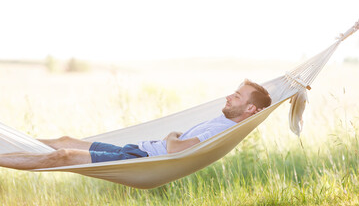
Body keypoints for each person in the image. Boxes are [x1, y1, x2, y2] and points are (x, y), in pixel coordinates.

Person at [0, 79, 271, 170]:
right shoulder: (224, 119)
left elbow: (176, 149)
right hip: (136, 148)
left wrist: (171, 134)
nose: (228, 96)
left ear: (250, 109)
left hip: (141, 158)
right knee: (66, 140)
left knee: (64, 155)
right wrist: (173, 137)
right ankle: (9, 141)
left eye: (236, 96)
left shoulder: (222, 129)